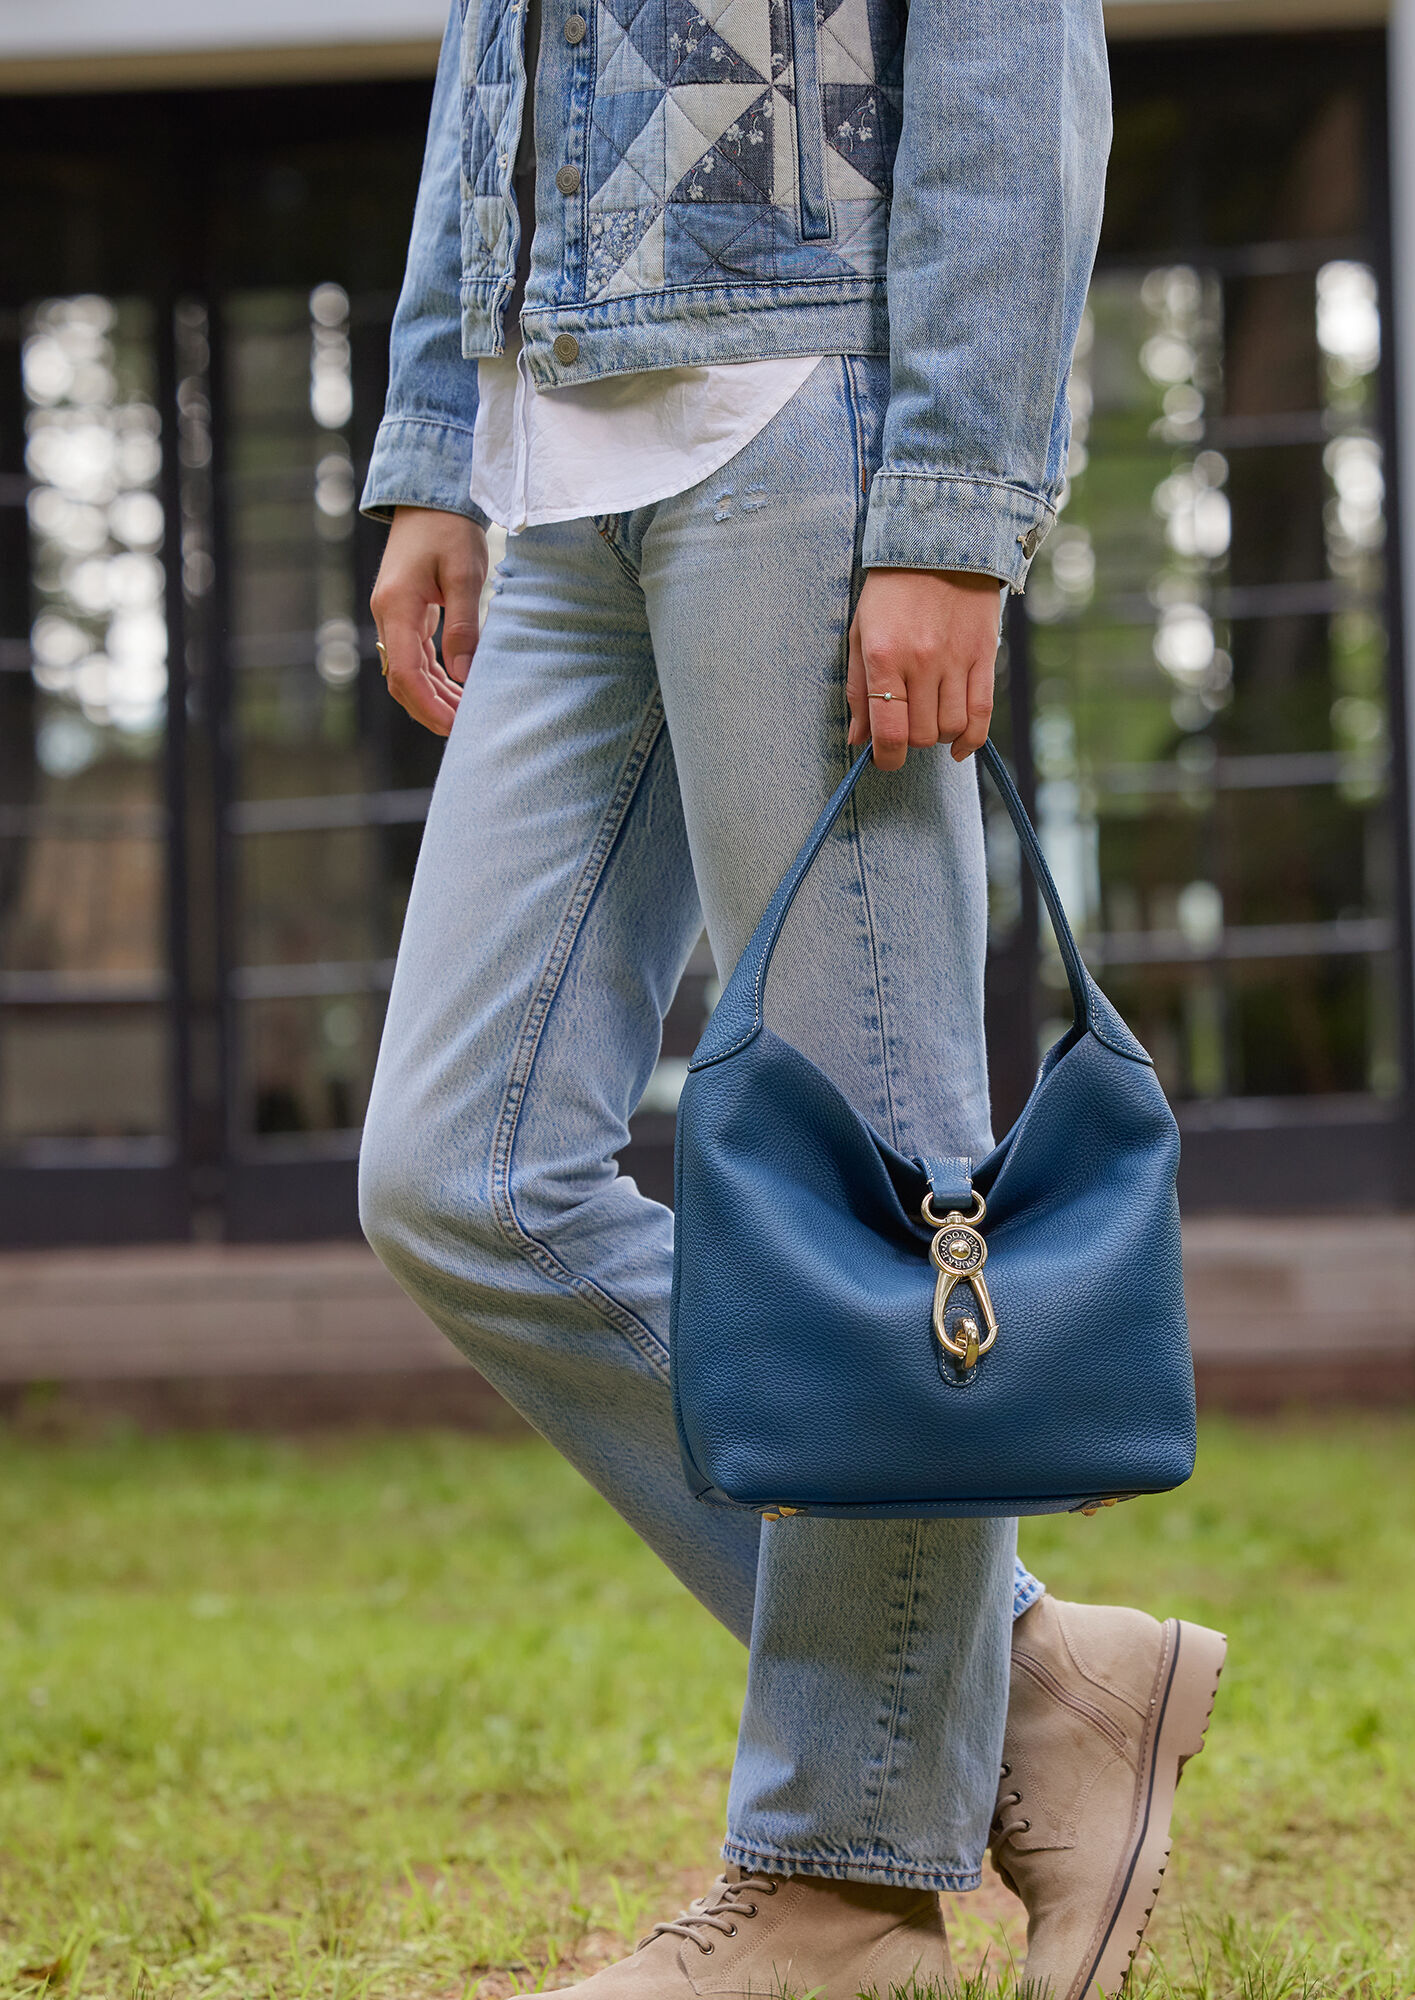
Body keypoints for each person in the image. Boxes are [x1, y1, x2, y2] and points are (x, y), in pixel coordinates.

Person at [357, 2, 1226, 1996]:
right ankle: (1023, 1676)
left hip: (805, 428)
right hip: (551, 452)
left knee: (867, 1182)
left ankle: (839, 1885)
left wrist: (953, 507)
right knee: (454, 1173)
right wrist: (438, 437)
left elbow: (1011, 74)